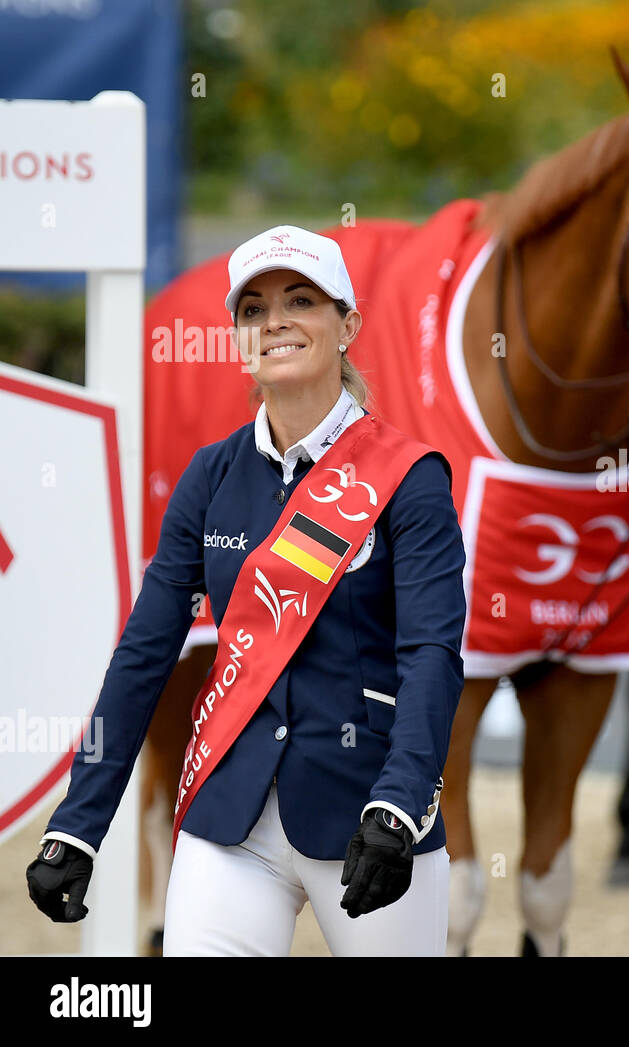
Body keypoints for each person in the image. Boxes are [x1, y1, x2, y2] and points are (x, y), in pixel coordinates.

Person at [26, 226, 467, 956]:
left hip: (368, 816)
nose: (276, 322)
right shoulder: (209, 476)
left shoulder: (411, 478)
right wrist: (79, 819)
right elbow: (144, 652)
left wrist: (398, 802)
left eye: (301, 300)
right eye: (254, 310)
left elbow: (432, 654)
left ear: (348, 325)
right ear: (238, 338)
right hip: (228, 819)